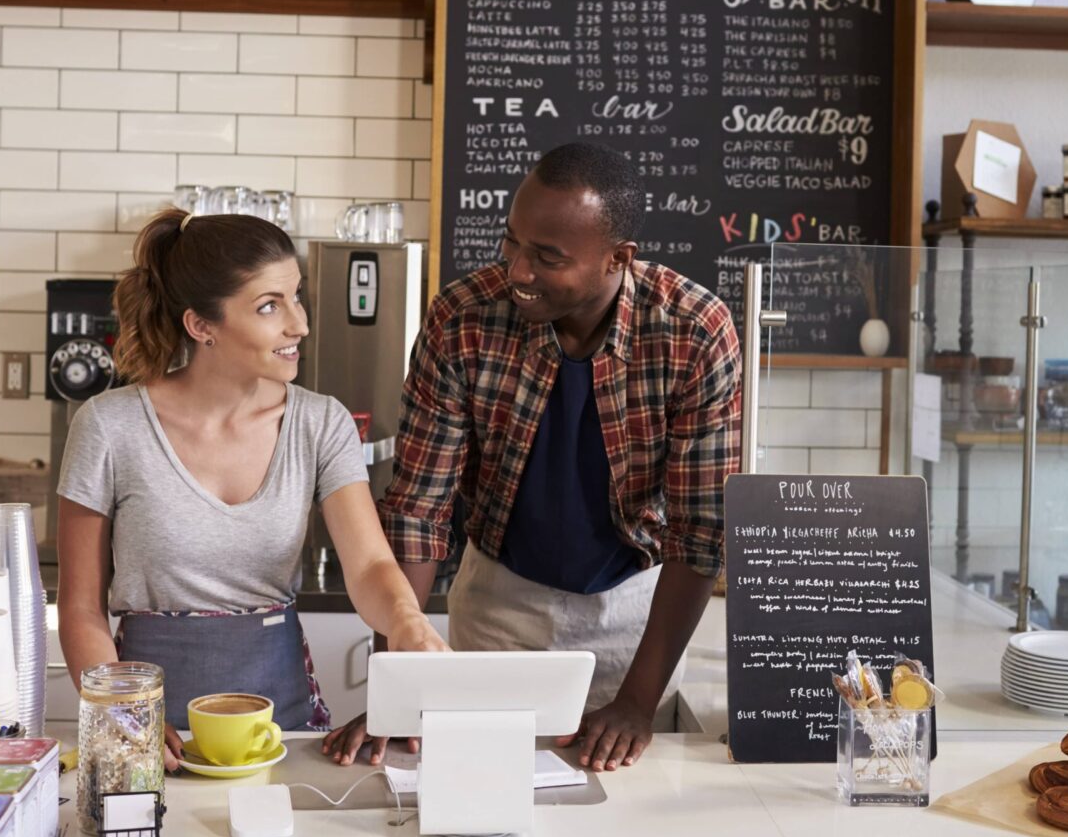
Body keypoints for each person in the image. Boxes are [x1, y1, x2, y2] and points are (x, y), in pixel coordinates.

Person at [326, 142, 742, 771]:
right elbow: (418, 510)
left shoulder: (694, 330)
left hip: (634, 613)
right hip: (499, 603)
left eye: (548, 257)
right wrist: (399, 691)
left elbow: (698, 536)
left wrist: (636, 701)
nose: (518, 271)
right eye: (512, 242)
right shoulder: (463, 318)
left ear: (618, 260)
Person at [58, 208, 446, 771]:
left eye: (297, 297)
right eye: (270, 306)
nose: (300, 324)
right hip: (148, 725)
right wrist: (126, 711)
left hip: (281, 729)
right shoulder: (108, 426)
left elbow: (367, 567)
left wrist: (407, 621)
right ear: (202, 325)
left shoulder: (321, 423)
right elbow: (80, 607)